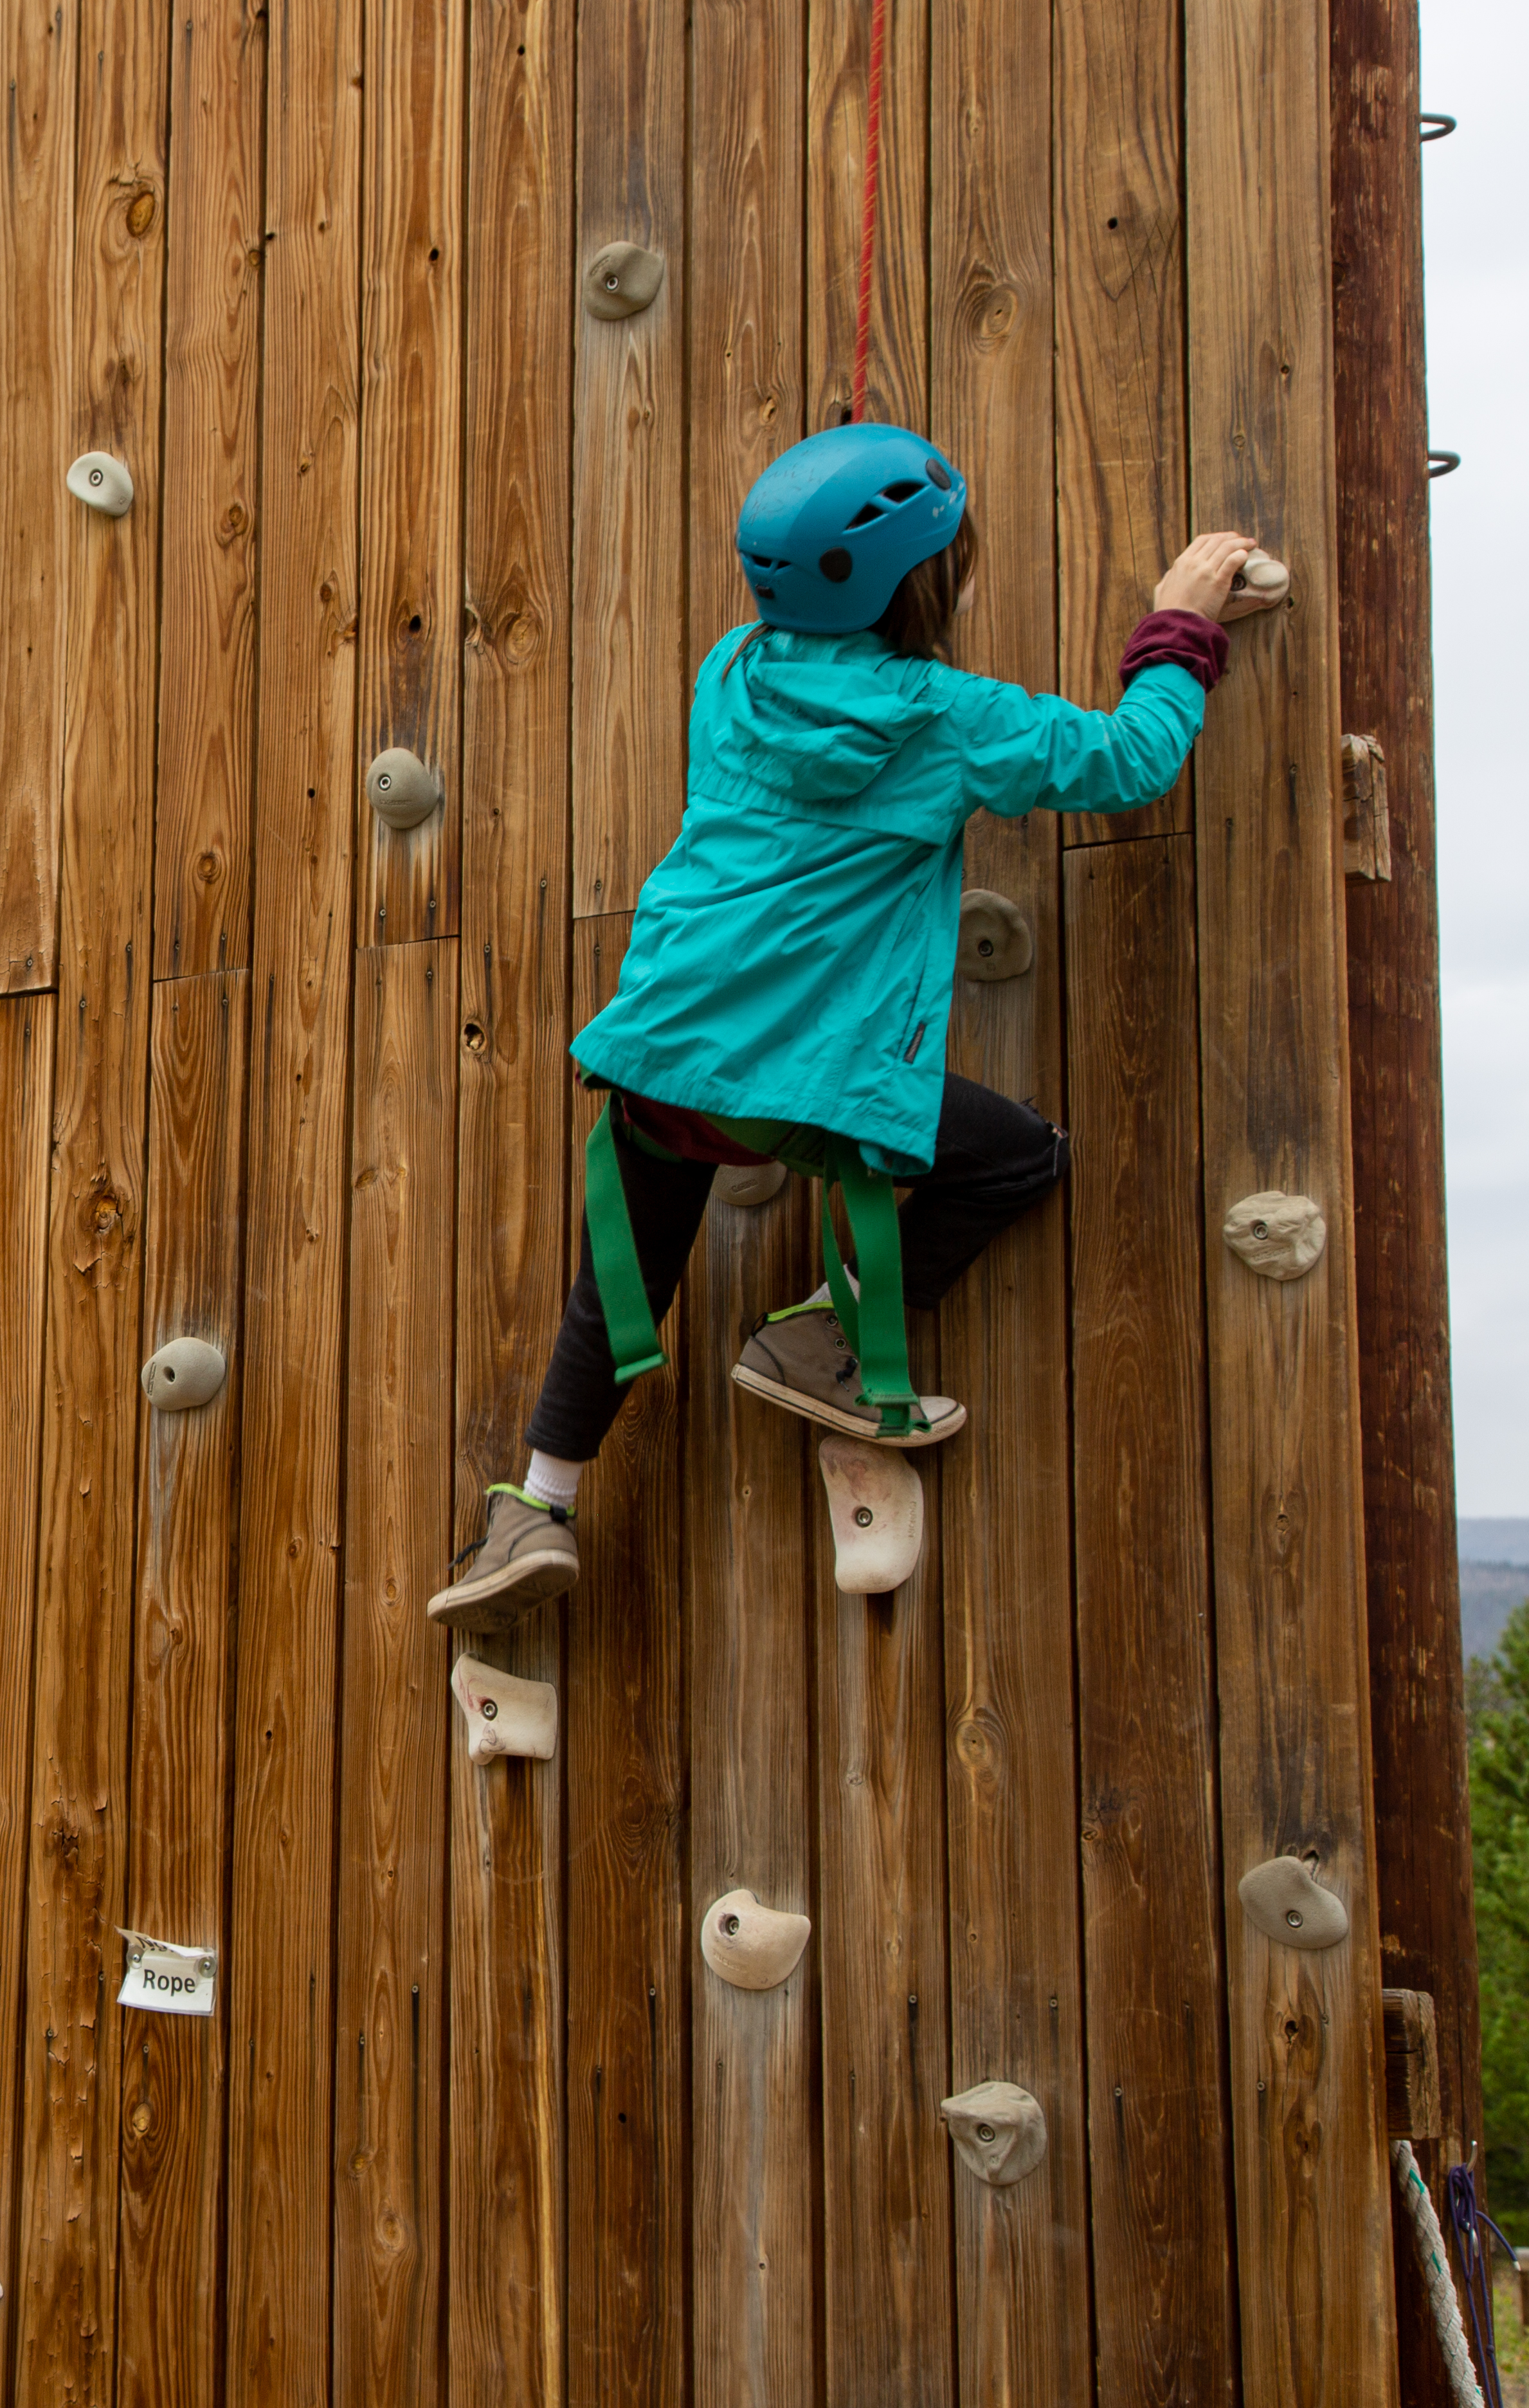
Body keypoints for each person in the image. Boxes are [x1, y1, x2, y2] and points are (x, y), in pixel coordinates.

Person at [432, 423, 1278, 1627]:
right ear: (927, 585)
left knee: (615, 1292)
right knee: (1018, 1157)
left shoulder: (731, 675)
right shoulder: (947, 719)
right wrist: (1179, 621)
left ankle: (537, 1506)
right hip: (811, 1083)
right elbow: (1130, 758)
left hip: (665, 1048)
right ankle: (824, 1335)